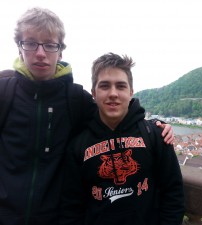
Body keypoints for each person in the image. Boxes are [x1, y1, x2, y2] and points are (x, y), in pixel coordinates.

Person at [0, 7, 174, 225]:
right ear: (19, 47)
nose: (41, 53)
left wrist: (156, 125)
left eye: (50, 44)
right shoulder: (4, 93)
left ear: (60, 51)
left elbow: (116, 114)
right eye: (31, 42)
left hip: (54, 217)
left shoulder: (75, 99)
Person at [59, 53, 185, 225]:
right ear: (93, 93)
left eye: (120, 86)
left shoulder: (155, 134)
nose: (113, 93)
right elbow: (71, 206)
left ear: (131, 92)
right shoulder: (78, 145)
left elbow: (173, 193)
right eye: (104, 86)